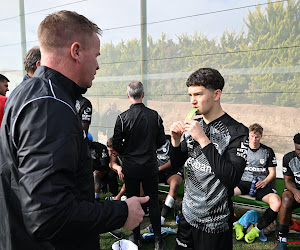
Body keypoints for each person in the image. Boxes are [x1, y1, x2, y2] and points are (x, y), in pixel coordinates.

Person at [0, 10, 148, 250]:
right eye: (96, 55)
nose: (98, 65)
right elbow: (46, 216)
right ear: (76, 51)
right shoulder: (49, 106)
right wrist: (120, 212)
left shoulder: (26, 93)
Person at [170, 68, 249, 250]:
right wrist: (175, 141)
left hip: (214, 224)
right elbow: (175, 164)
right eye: (190, 95)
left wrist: (203, 140)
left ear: (216, 94)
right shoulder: (195, 126)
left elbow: (231, 179)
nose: (192, 101)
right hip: (187, 215)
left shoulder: (237, 132)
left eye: (198, 94)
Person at [113, 81, 166, 250]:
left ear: (128, 95)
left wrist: (126, 153)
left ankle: (136, 238)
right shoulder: (155, 115)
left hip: (132, 166)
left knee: (132, 200)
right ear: (143, 94)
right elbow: (161, 141)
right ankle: (158, 240)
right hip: (149, 165)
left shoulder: (122, 118)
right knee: (153, 201)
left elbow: (116, 144)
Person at [233, 123, 281, 243]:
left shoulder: (267, 151)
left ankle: (256, 229)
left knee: (276, 203)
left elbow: (272, 173)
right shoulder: (241, 149)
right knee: (223, 193)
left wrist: (264, 182)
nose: (254, 140)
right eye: (252, 136)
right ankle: (235, 224)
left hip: (261, 185)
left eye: (257, 137)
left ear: (261, 136)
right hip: (244, 183)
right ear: (248, 135)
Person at [275, 133, 300, 250]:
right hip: (296, 192)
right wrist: (295, 191)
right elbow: (288, 181)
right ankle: (282, 239)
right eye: (298, 150)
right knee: (286, 198)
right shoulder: (289, 158)